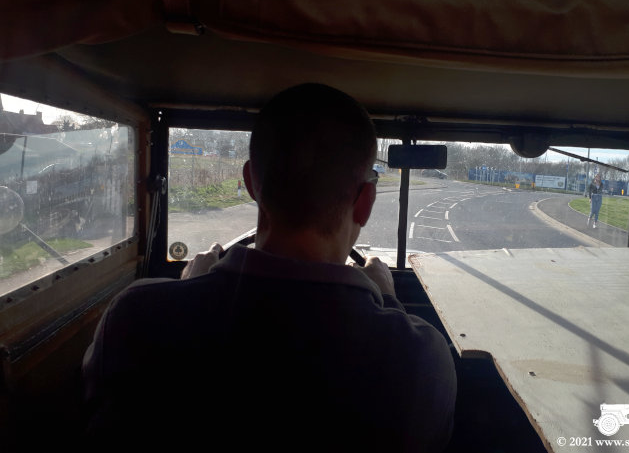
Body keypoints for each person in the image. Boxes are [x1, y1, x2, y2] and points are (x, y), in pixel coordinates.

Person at [82, 83, 457, 452]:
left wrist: (188, 287)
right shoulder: (420, 359)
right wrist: (388, 299)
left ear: (251, 183)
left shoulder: (135, 316)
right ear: (366, 202)